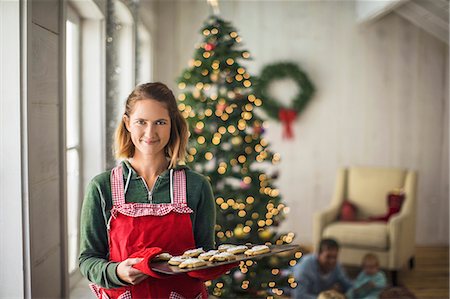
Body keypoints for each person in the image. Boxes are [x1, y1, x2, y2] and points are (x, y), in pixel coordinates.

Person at [79, 82, 232, 299]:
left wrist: (214, 264)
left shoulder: (197, 186)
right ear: (127, 123)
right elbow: (88, 260)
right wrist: (117, 272)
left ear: (172, 125)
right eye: (141, 122)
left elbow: (204, 253)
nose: (150, 133)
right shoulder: (102, 187)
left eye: (160, 122)